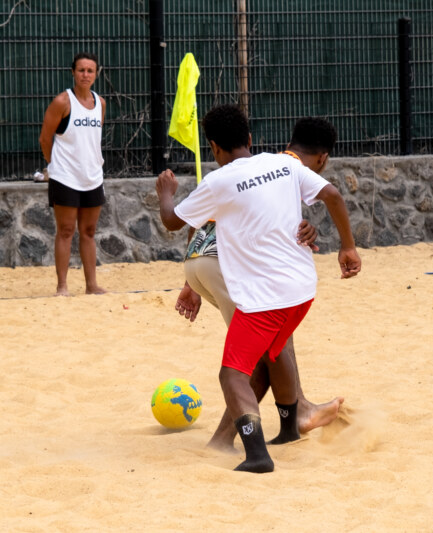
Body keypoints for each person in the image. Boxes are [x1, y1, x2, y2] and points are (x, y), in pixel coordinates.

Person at [156, 104, 361, 473]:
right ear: (251, 139)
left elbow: (180, 220)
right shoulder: (284, 165)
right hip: (295, 287)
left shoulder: (221, 179)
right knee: (263, 354)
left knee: (254, 358)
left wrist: (167, 193)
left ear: (214, 148)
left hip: (209, 261)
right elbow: (332, 195)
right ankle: (284, 421)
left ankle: (280, 427)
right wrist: (346, 246)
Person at [38, 52, 107, 296]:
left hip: (92, 176)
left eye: (90, 70)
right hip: (65, 177)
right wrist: (53, 165)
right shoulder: (62, 102)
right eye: (81, 70)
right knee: (66, 231)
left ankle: (91, 285)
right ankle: (62, 286)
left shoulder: (101, 103)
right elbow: (45, 138)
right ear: (73, 73)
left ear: (96, 74)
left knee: (89, 232)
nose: (85, 74)